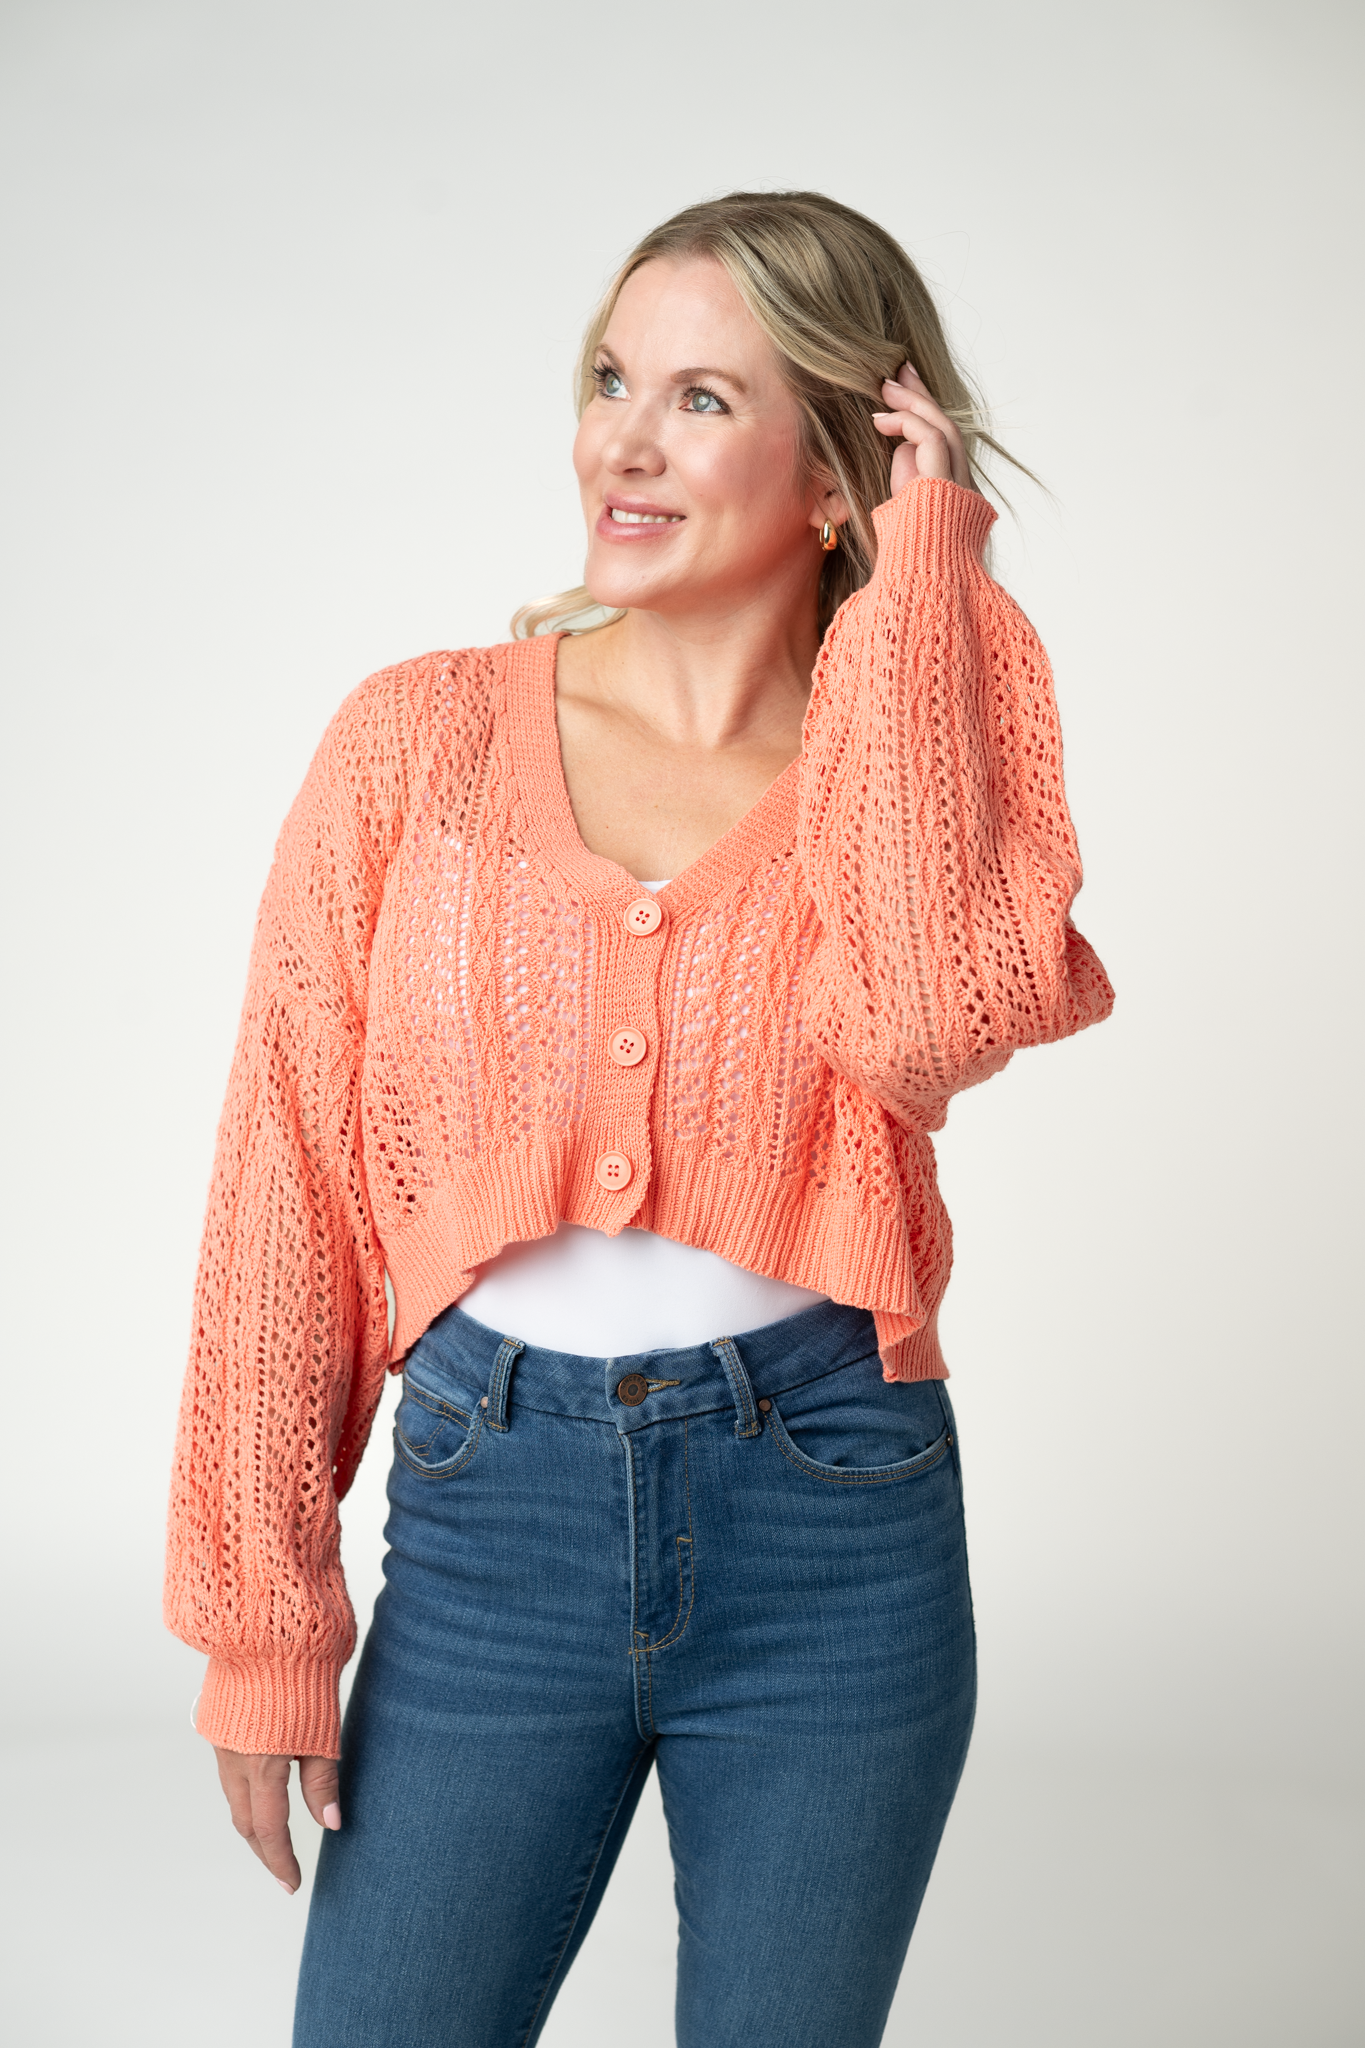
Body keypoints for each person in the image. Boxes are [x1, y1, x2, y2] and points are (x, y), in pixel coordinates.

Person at [165, 189, 1113, 2048]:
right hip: (489, 1525)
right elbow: (288, 1178)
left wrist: (925, 586)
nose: (625, 440)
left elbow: (933, 1022)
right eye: (613, 379)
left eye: (702, 398)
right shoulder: (416, 743)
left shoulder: (887, 765)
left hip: (834, 1527)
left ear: (834, 469)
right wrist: (264, 1617)